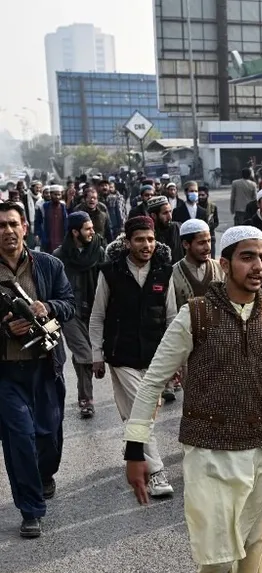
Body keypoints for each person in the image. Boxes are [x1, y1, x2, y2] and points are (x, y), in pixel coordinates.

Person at [122, 225, 262, 573]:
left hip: (259, 452)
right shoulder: (196, 314)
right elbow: (152, 382)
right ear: (225, 263)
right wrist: (135, 449)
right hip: (207, 452)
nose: (258, 266)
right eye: (247, 257)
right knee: (220, 553)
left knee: (253, 553)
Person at [0, 201, 74, 538]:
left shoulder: (48, 265)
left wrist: (49, 307)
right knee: (19, 439)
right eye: (1, 225)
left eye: (12, 224)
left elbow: (70, 304)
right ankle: (30, 510)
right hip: (7, 374)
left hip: (45, 368)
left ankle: (45, 474)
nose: (7, 231)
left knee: (48, 436)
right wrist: (5, 329)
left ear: (25, 228)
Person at [89, 216, 177, 500]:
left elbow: (172, 318)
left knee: (140, 414)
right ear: (128, 242)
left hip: (155, 357)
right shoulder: (110, 272)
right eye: (140, 240)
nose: (146, 245)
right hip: (121, 355)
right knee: (142, 410)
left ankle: (134, 447)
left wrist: (175, 359)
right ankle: (157, 472)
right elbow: (97, 316)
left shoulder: (164, 273)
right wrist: (96, 354)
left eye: (150, 239)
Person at [53, 211, 105, 419]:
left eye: (92, 228)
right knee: (84, 353)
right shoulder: (59, 256)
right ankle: (87, 399)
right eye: (87, 229)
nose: (92, 232)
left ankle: (85, 397)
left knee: (82, 355)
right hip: (69, 312)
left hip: (93, 310)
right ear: (75, 232)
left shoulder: (98, 252)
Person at [171, 219, 225, 309]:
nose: (208, 247)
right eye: (201, 243)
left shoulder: (221, 269)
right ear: (186, 244)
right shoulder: (173, 274)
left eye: (209, 241)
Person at [147, 196, 184, 264]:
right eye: (165, 213)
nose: (170, 217)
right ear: (154, 215)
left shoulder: (178, 228)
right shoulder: (148, 234)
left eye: (170, 211)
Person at [36, 184, 68, 253]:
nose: (57, 197)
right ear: (50, 194)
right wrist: (39, 235)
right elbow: (38, 222)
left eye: (59, 195)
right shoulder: (43, 207)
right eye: (55, 194)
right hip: (48, 240)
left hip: (61, 240)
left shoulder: (64, 207)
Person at [198, 185, 221, 257]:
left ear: (207, 195)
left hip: (211, 235)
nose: (200, 197)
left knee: (212, 257)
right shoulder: (195, 207)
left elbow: (216, 222)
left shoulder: (213, 207)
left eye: (203, 195)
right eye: (199, 195)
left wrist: (209, 227)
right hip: (198, 236)